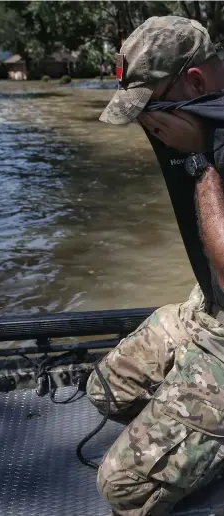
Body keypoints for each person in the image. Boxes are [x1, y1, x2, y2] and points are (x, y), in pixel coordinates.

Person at [86, 15, 224, 516]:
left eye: (152, 110)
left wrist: (202, 162)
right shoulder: (201, 112)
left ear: (194, 83)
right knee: (105, 392)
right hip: (209, 303)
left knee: (124, 488)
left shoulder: (206, 137)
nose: (150, 126)